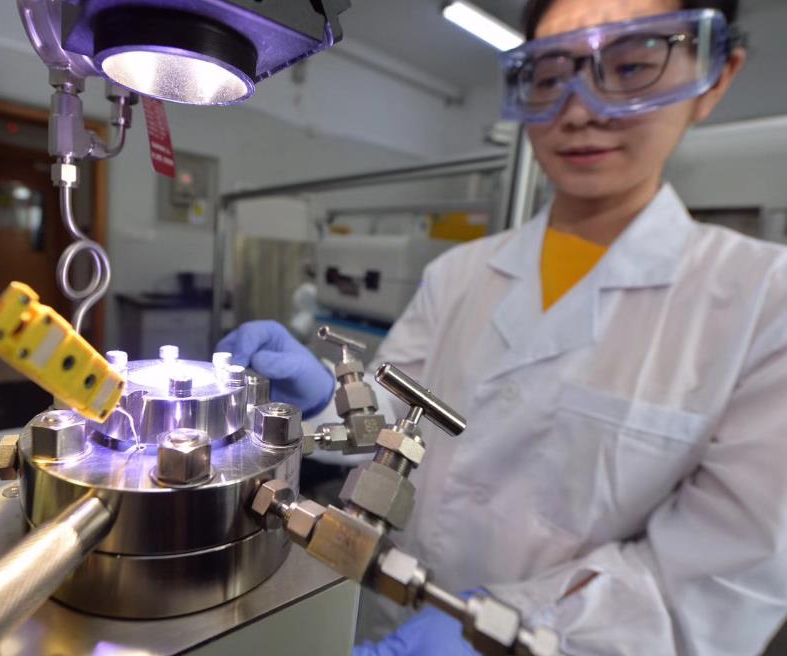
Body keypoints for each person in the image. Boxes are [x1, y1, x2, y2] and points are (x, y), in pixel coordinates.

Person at [218, 0, 787, 653]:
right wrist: (328, 398)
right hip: (384, 612)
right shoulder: (459, 273)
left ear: (715, 74)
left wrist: (520, 624)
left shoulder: (763, 303)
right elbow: (394, 419)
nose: (579, 110)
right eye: (550, 76)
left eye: (631, 66)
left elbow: (718, 578)